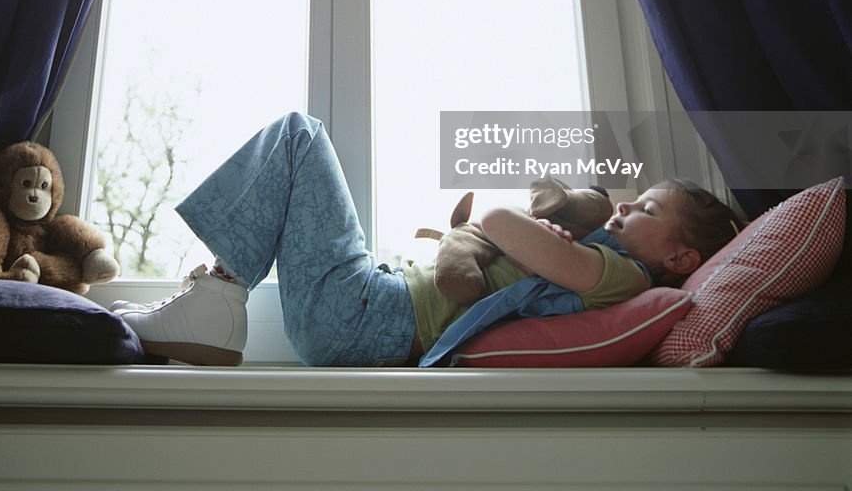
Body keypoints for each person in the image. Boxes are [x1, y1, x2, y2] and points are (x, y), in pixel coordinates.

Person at [112, 112, 743, 367]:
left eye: (650, 205)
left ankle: (219, 301)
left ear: (680, 258)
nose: (629, 201)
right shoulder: (603, 266)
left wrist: (526, 228)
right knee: (299, 139)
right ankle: (216, 297)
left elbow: (493, 222)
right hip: (368, 309)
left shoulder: (624, 277)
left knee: (300, 135)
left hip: (370, 315)